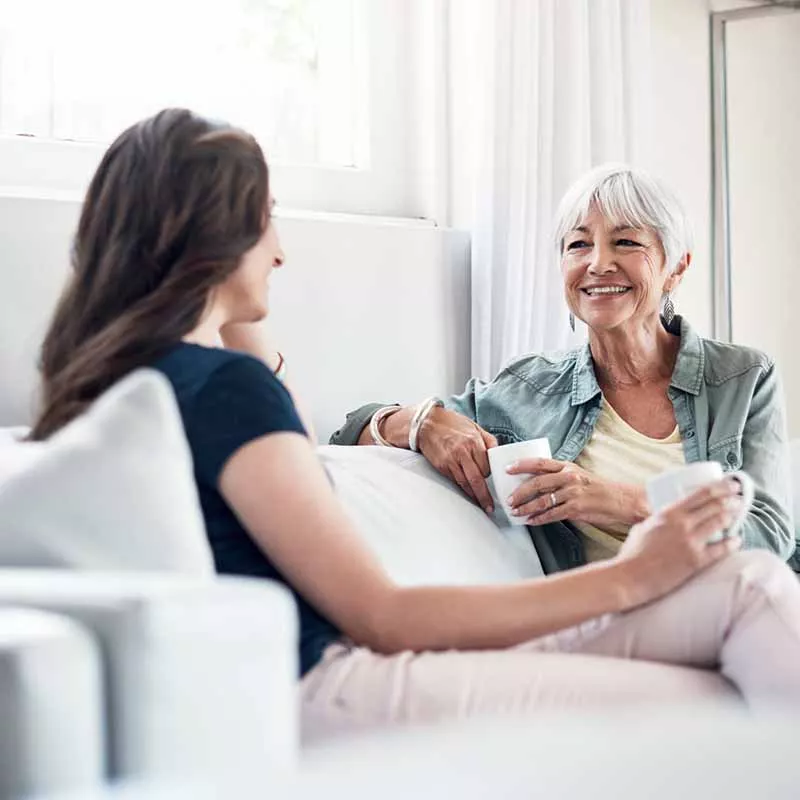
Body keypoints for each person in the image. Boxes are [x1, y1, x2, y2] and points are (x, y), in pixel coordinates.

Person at [30, 110, 800, 740]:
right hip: (334, 677)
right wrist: (633, 571)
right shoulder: (217, 390)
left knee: (755, 582)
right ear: (215, 238)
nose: (283, 252)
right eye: (266, 222)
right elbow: (384, 613)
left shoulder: (129, 381)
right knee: (718, 701)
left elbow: (273, 392)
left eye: (626, 242)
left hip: (312, 670)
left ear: (676, 265)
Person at [332, 164, 797, 571]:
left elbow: (769, 536)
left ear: (676, 268)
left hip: (734, 594)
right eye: (578, 245)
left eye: (626, 241)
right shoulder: (529, 389)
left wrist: (621, 501)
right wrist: (420, 422)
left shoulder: (743, 378)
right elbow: (348, 434)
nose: (598, 263)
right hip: (616, 622)